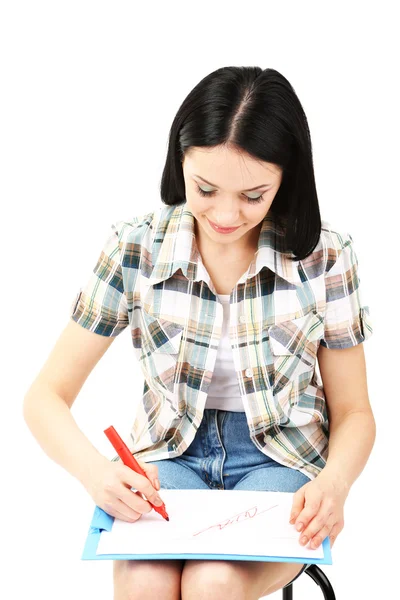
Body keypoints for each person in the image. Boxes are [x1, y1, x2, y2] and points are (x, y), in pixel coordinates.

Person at [23, 66, 376, 599]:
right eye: (205, 189)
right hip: (170, 456)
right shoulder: (134, 247)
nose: (227, 214)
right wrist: (97, 475)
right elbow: (44, 397)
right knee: (146, 580)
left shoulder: (327, 256)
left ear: (287, 180)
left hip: (279, 461)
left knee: (213, 581)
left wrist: (335, 484)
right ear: (179, 162)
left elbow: (354, 412)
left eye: (254, 195)